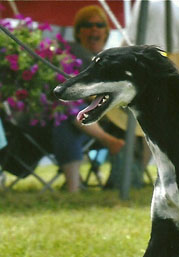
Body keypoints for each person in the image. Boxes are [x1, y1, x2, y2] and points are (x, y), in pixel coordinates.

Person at [52, 5, 124, 192]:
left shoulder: (114, 59)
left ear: (106, 32)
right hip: (78, 119)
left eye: (99, 25)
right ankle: (74, 188)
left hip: (112, 119)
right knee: (66, 117)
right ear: (78, 31)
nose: (94, 29)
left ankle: (127, 179)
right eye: (87, 25)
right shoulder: (69, 54)